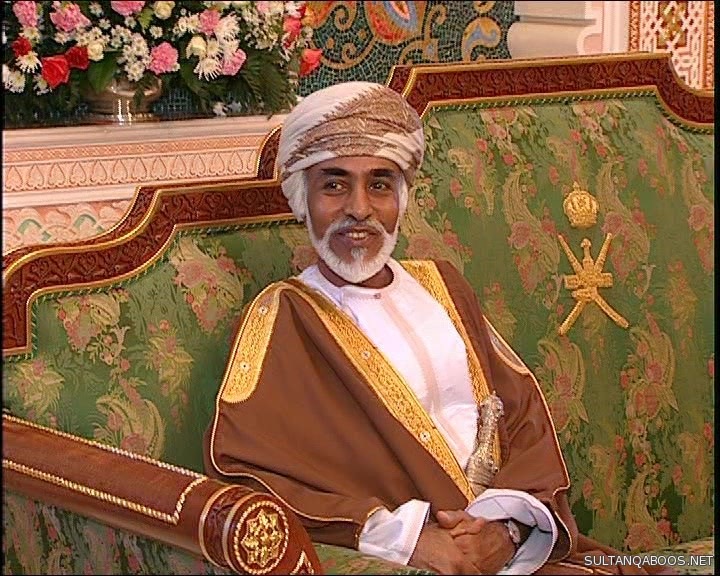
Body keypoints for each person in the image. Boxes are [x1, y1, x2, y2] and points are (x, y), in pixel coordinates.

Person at [203, 81, 670, 575]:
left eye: (380, 184)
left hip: (511, 548)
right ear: (303, 199)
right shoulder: (283, 318)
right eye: (334, 185)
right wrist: (409, 541)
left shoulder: (442, 284)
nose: (359, 208)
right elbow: (246, 475)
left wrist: (508, 529)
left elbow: (521, 416)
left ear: (402, 198)